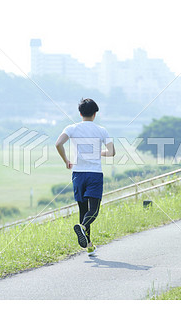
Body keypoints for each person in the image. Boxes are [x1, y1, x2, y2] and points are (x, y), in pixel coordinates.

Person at [55, 98, 115, 256]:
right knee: (93, 211)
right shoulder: (102, 130)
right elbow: (112, 152)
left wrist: (66, 160)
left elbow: (58, 144)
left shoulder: (71, 128)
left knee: (83, 210)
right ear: (95, 114)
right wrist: (98, 153)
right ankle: (82, 228)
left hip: (78, 174)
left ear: (80, 113)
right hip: (94, 174)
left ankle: (89, 246)